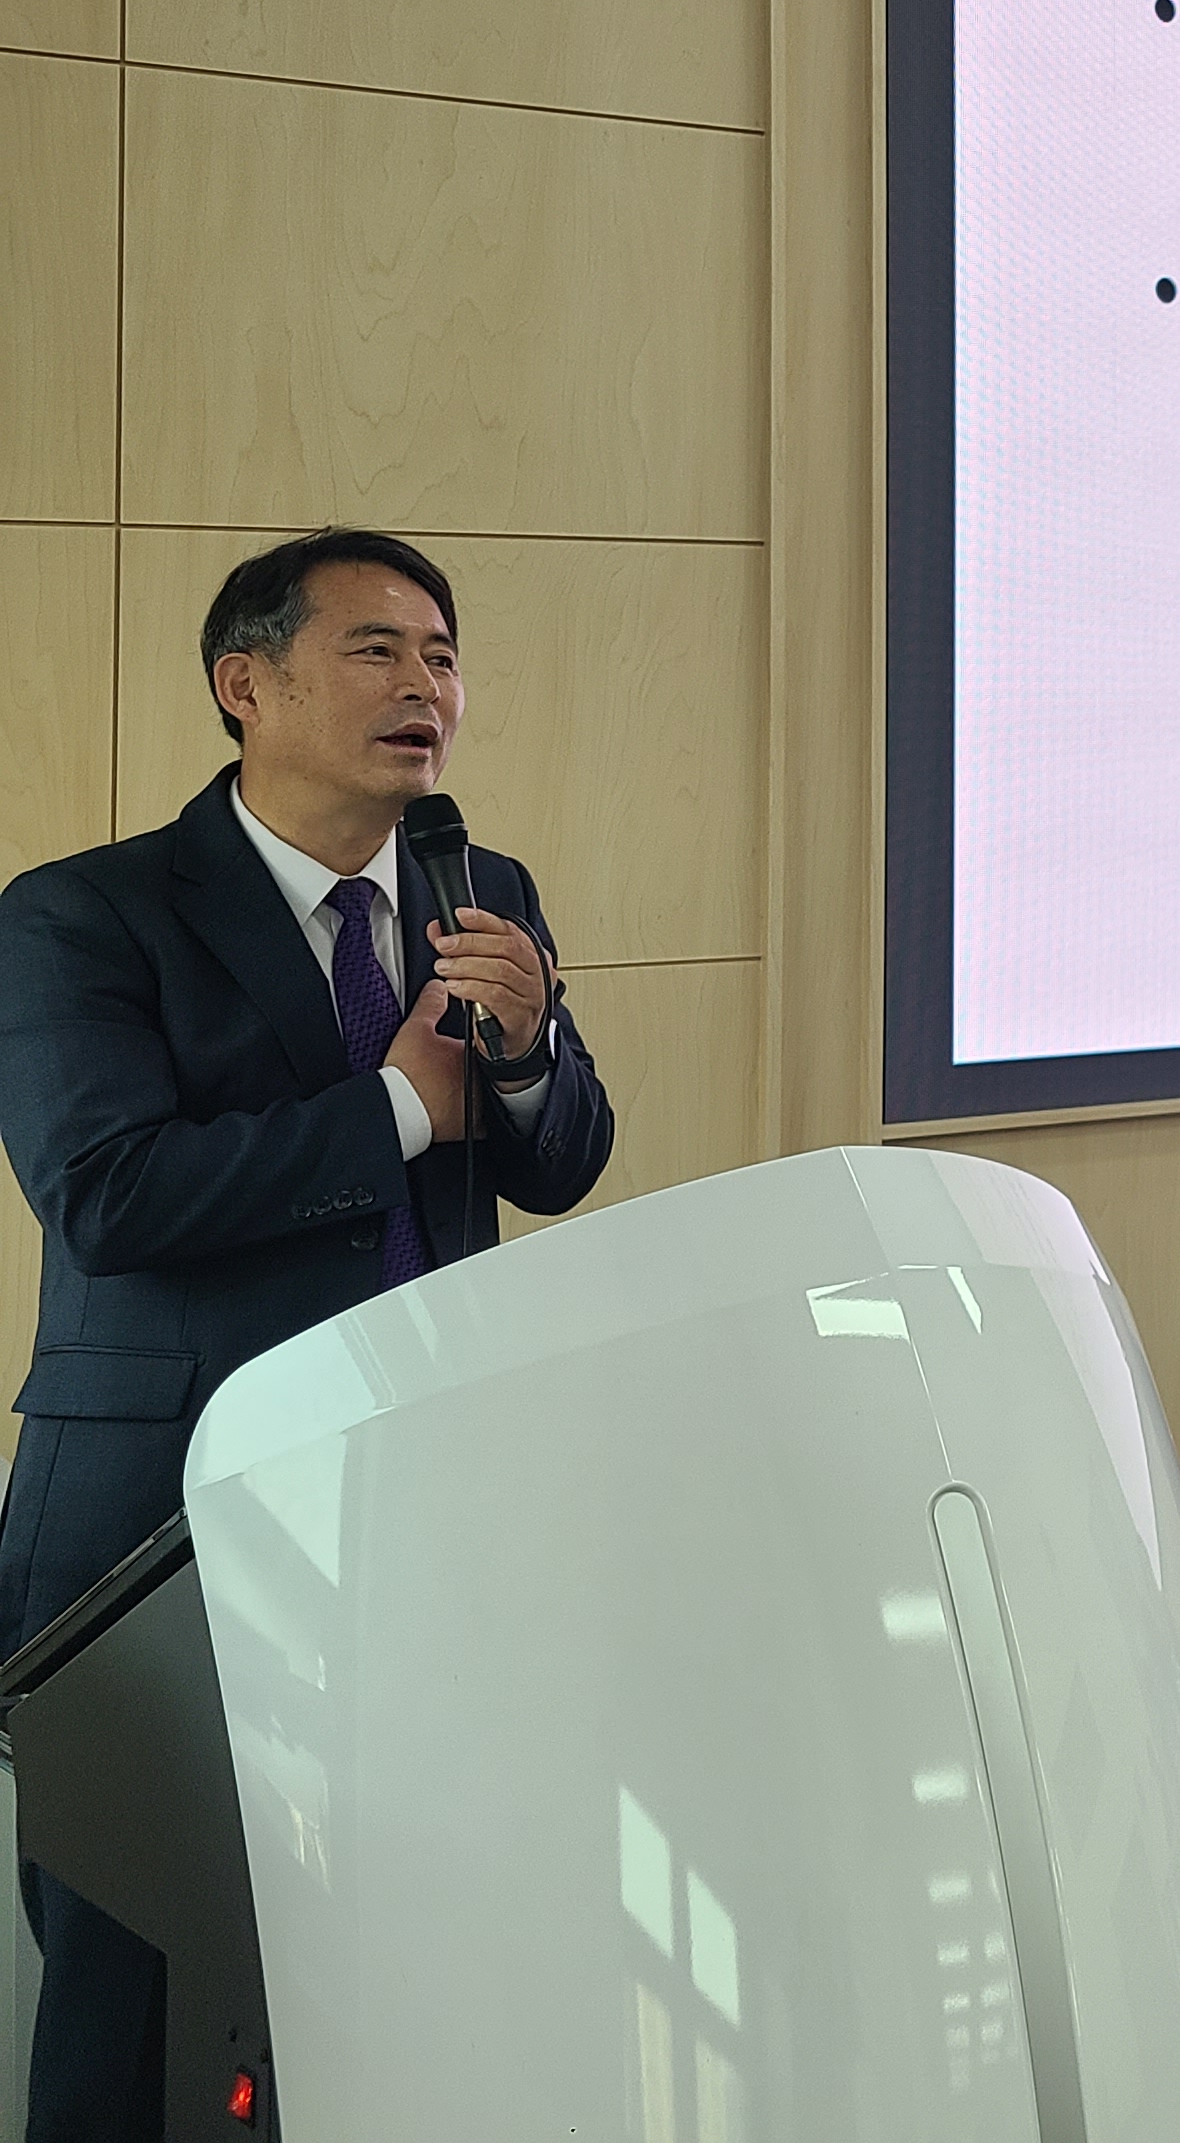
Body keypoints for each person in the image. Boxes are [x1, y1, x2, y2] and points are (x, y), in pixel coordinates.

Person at [0, 530, 616, 2143]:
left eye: (444, 655)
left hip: (420, 1501)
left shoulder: (482, 892)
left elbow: (558, 1161)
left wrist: (528, 1052)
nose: (427, 685)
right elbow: (109, 1193)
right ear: (246, 683)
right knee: (141, 1978)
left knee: (391, 1945)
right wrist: (399, 1107)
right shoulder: (82, 915)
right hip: (165, 1520)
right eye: (377, 650)